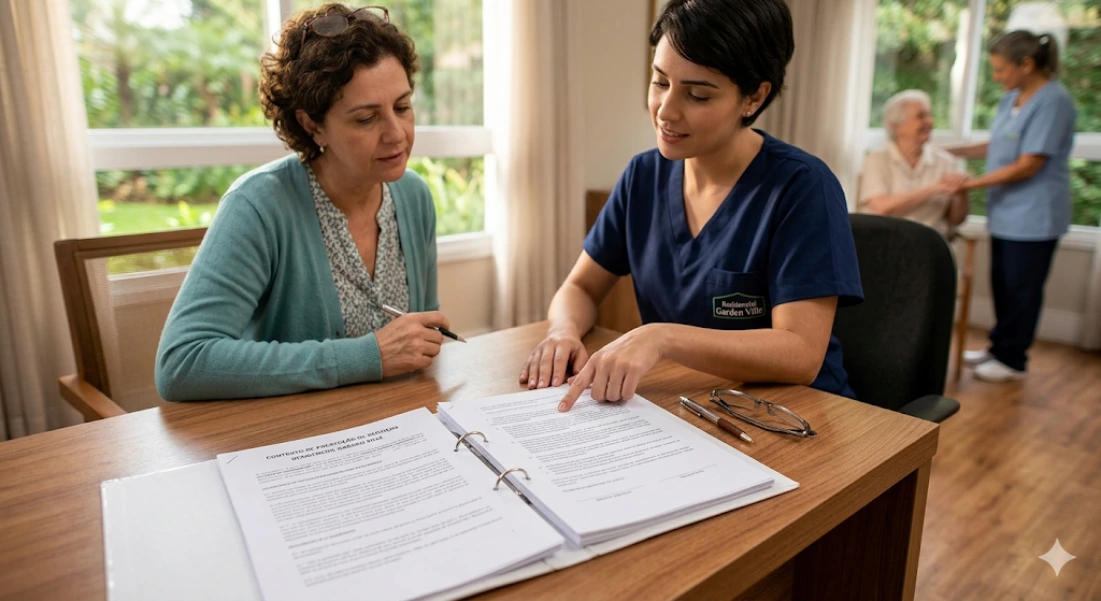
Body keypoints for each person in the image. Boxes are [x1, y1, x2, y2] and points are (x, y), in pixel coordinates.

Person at [522, 0, 864, 411]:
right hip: (693, 405)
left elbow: (800, 353)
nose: (666, 111)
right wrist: (563, 330)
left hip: (795, 415)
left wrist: (662, 337)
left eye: (697, 95)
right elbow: (580, 287)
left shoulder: (802, 188)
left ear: (753, 97)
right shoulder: (642, 178)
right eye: (660, 82)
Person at [156, 4, 451, 401]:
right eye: (366, 118)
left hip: (398, 424)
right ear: (312, 124)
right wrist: (368, 356)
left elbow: (423, 340)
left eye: (402, 107)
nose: (397, 134)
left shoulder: (413, 196)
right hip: (297, 441)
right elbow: (182, 364)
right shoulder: (259, 205)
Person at [946, 31, 1077, 383]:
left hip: (1036, 215)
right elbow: (996, 145)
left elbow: (1028, 164)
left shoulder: (1054, 102)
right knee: (1003, 283)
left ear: (1027, 64)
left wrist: (969, 184)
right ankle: (998, 347)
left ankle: (1013, 359)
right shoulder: (1011, 98)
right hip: (1005, 213)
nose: (997, 77)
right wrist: (952, 152)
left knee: (1022, 288)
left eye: (1001, 69)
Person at [860, 89, 970, 237]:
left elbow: (955, 220)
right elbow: (881, 208)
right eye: (920, 116)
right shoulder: (877, 159)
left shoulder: (946, 161)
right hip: (885, 245)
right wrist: (934, 188)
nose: (929, 122)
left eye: (929, 115)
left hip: (930, 248)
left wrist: (961, 193)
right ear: (896, 126)